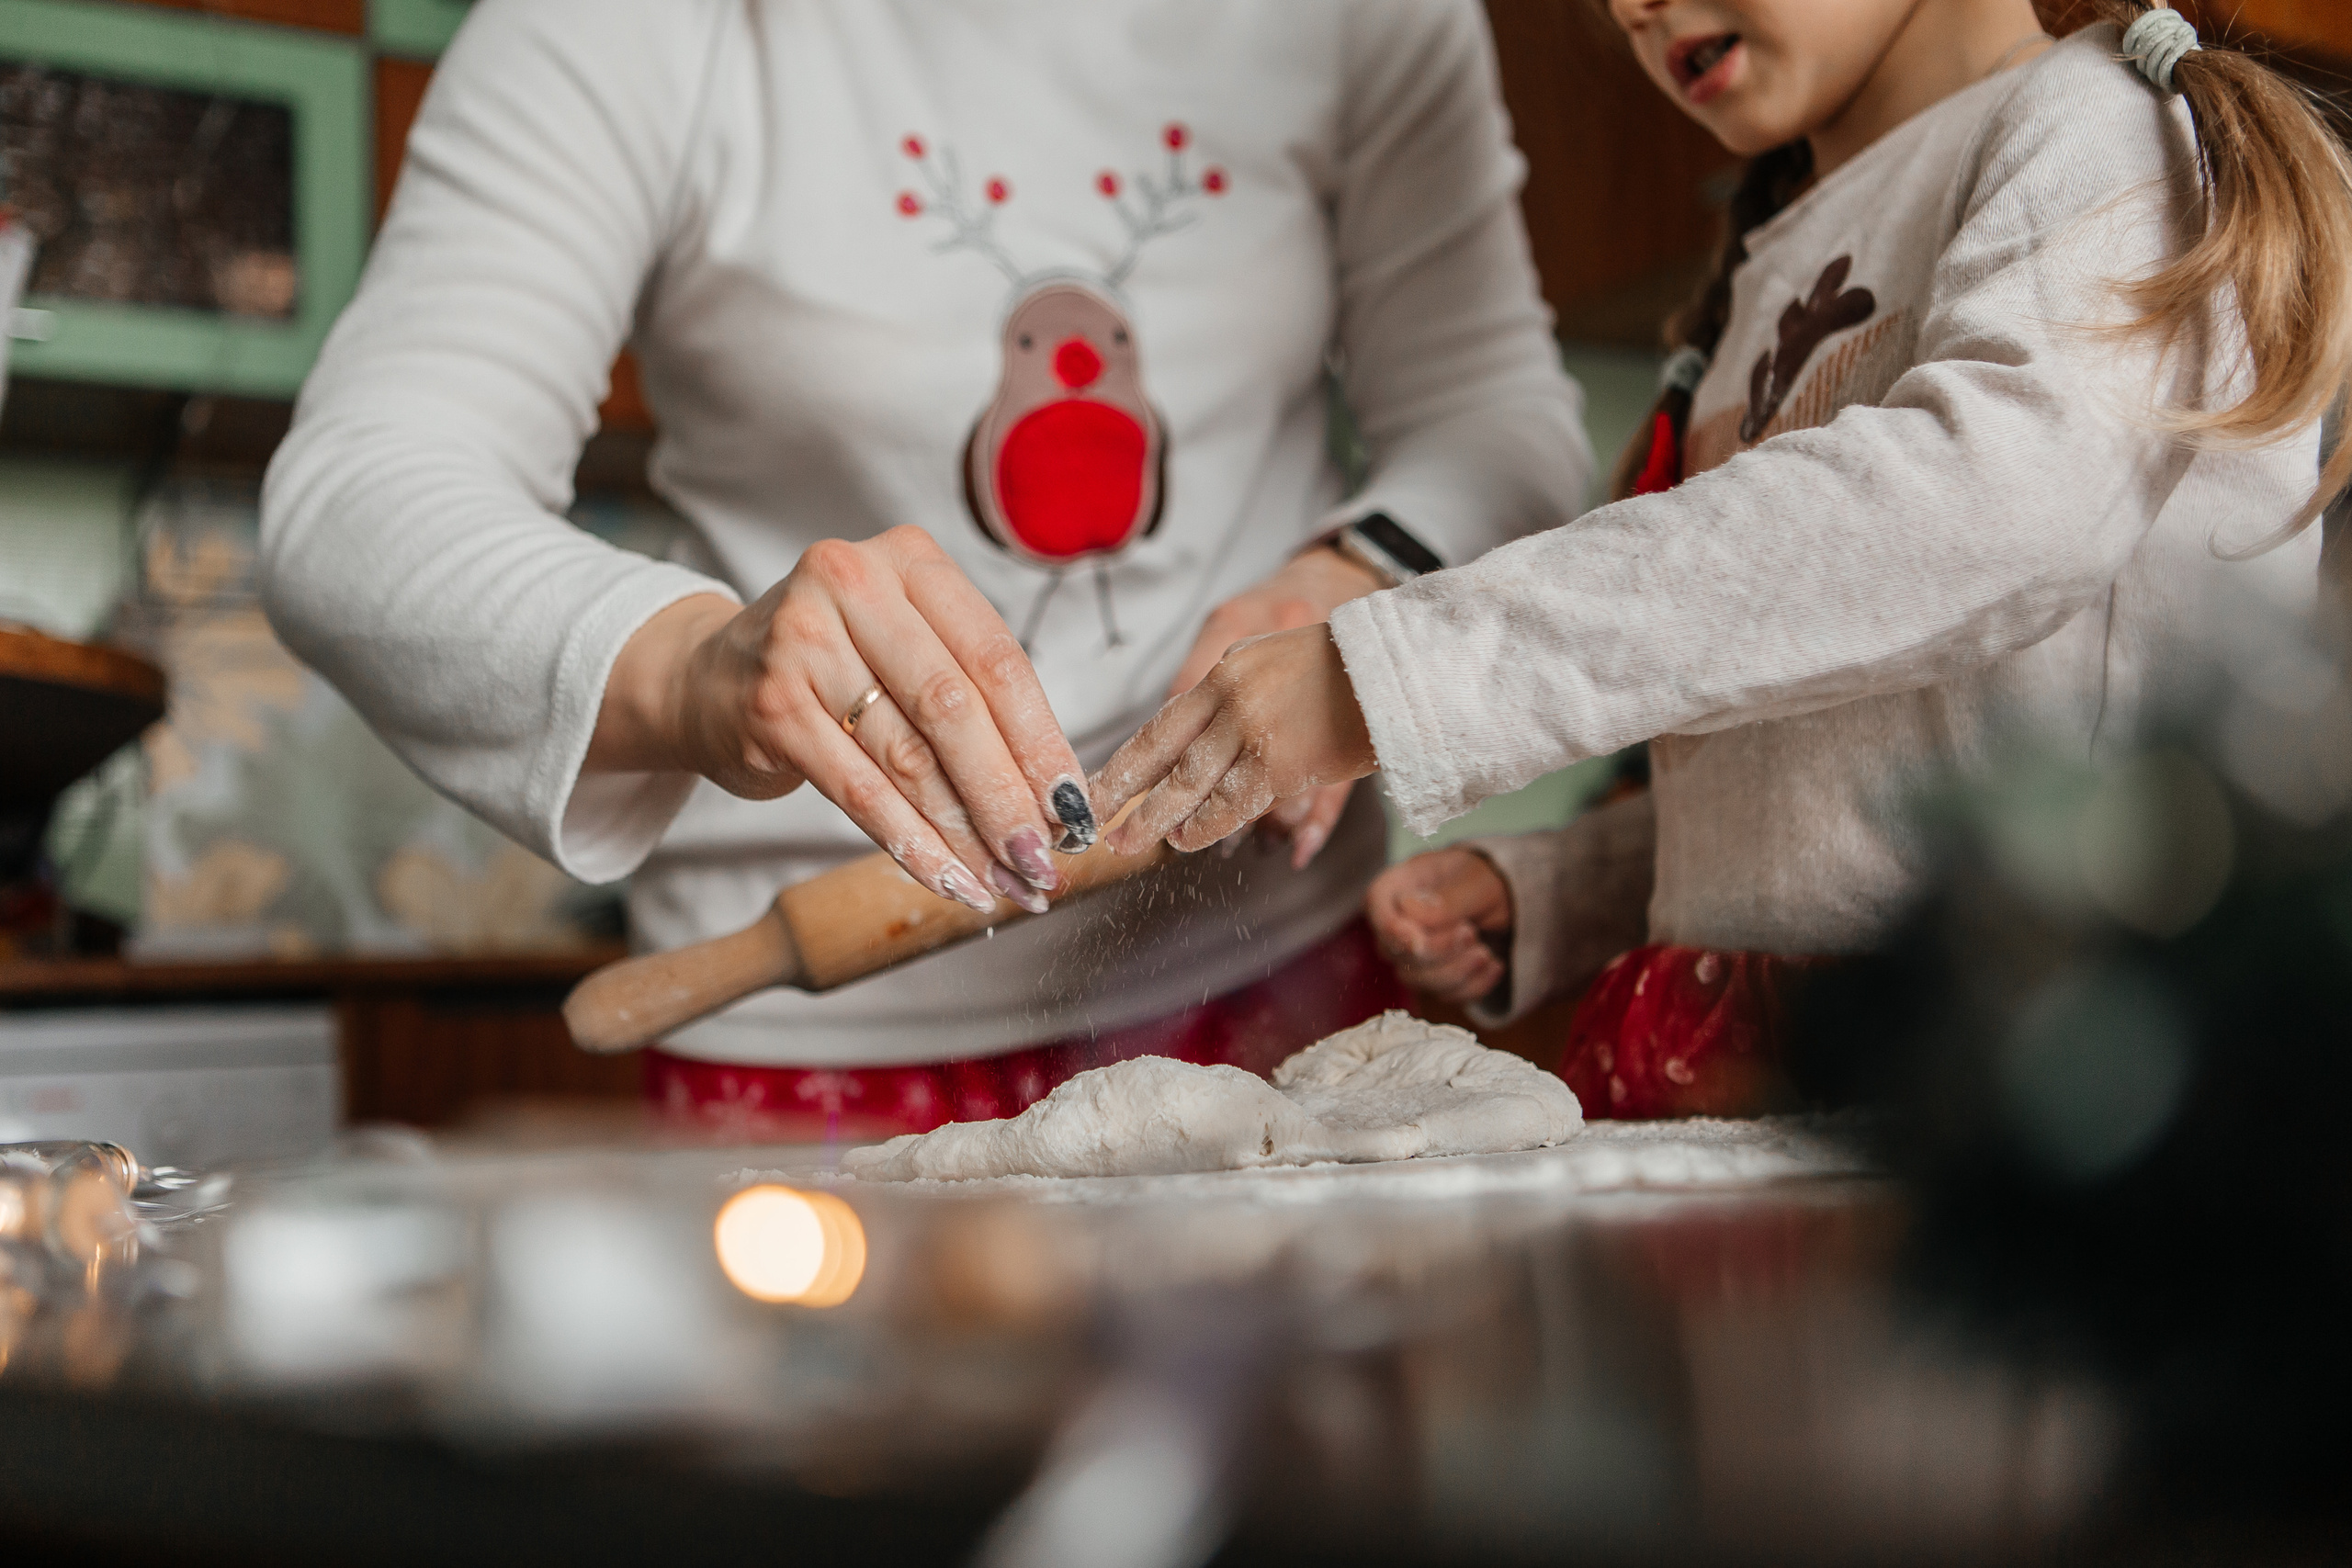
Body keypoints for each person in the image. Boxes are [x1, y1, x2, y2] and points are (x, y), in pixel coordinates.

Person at [259, 0, 1589, 1134]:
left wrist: (1347, 577)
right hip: (804, 1043)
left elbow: (1498, 418)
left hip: (1280, 980)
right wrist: (694, 669)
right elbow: (355, 499)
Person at [1091, 0, 2352, 1117]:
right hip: (1755, 1065)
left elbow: (1992, 512)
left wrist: (1395, 672)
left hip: (2015, 1076)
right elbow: (1874, 749)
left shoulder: (2100, 134)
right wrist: (1574, 889)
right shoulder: (1773, 262)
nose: (1631, 9)